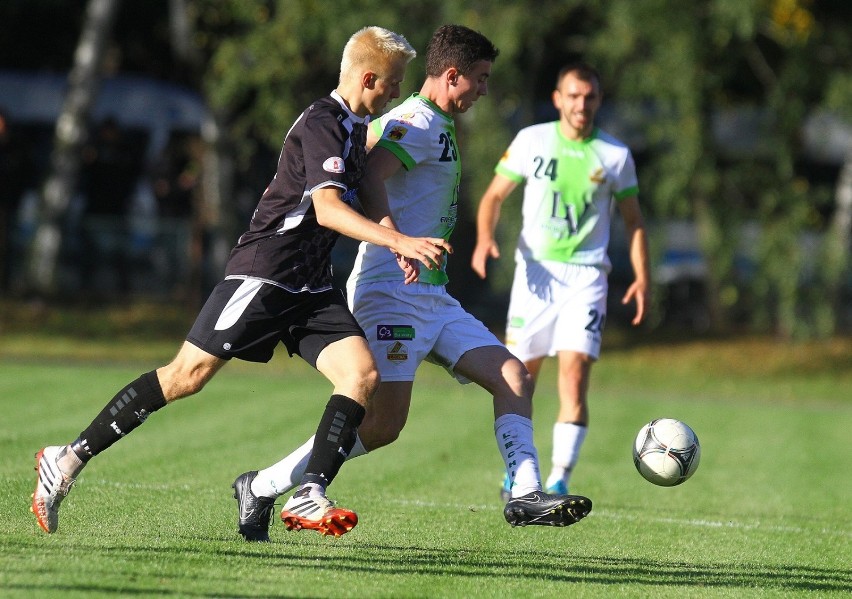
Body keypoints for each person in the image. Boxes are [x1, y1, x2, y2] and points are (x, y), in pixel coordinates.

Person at [31, 26, 450, 541]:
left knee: (361, 376)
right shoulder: (324, 121)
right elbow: (327, 207)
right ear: (369, 77)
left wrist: (395, 236)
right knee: (185, 377)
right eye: (392, 83)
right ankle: (66, 458)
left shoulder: (356, 128)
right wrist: (399, 244)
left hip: (310, 286)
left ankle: (309, 492)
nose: (396, 92)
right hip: (267, 271)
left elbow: (364, 192)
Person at [234, 25, 593, 541]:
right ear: (452, 75)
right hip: (390, 293)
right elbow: (366, 173)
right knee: (381, 426)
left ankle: (524, 494)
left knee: (512, 375)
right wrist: (394, 239)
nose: (485, 90)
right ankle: (264, 486)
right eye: (481, 79)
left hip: (432, 294)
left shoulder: (438, 123)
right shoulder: (415, 122)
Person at [470, 62, 650, 498]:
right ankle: (518, 470)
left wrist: (642, 277)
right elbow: (494, 196)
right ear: (558, 99)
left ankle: (558, 478)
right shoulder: (532, 140)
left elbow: (634, 221)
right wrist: (484, 240)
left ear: (598, 100)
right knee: (518, 378)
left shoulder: (615, 156)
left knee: (572, 376)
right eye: (573, 95)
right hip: (535, 274)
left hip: (587, 277)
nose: (581, 104)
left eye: (589, 96)